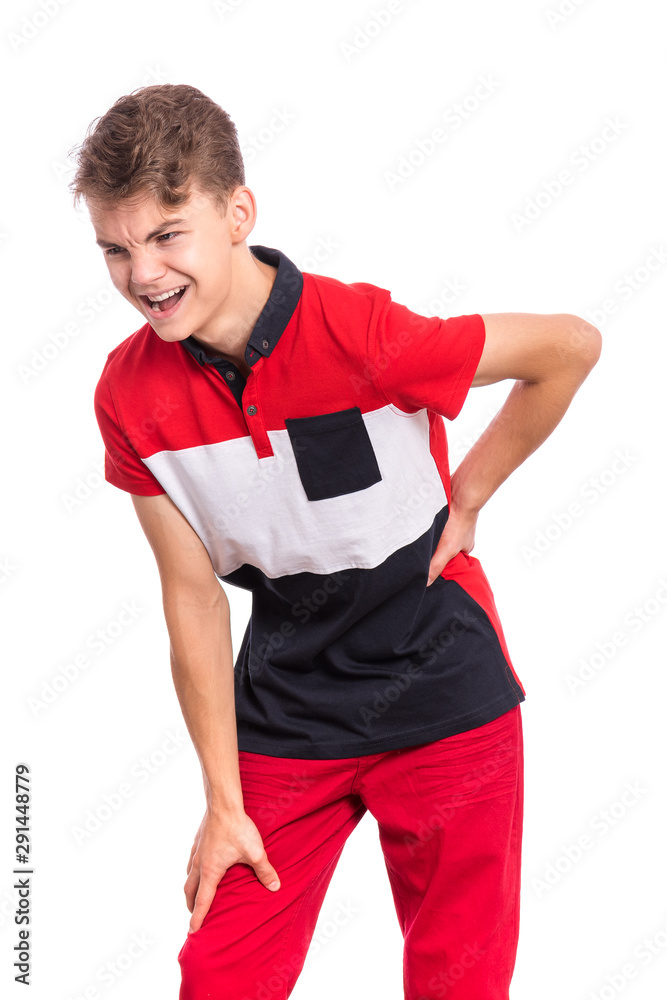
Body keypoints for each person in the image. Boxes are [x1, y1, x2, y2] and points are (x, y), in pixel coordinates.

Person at [70, 83, 601, 1000]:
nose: (141, 273)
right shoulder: (127, 396)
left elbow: (569, 347)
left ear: (237, 213)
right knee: (220, 977)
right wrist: (223, 804)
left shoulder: (361, 333)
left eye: (165, 235)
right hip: (287, 710)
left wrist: (468, 493)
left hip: (442, 690)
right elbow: (191, 597)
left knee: (458, 983)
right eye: (115, 249)